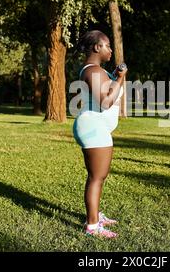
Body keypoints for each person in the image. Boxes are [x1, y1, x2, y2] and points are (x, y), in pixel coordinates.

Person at [73, 30, 127, 238]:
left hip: (97, 128)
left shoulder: (97, 71)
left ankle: (95, 215)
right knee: (96, 177)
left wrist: (115, 76)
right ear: (97, 47)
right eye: (107, 46)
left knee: (98, 176)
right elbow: (106, 102)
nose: (111, 50)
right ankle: (92, 226)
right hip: (93, 128)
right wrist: (120, 79)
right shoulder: (94, 71)